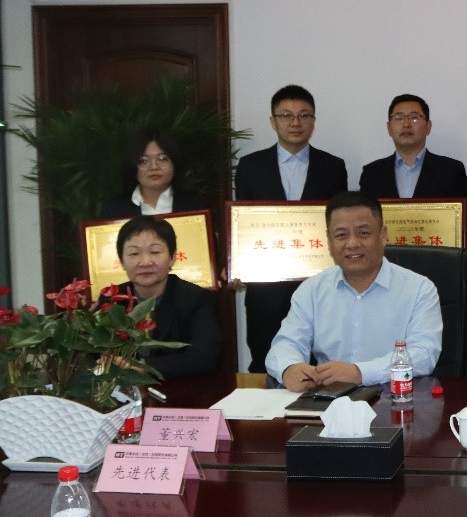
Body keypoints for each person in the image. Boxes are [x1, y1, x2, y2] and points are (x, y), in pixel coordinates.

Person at [266, 191, 442, 392]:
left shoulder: (419, 289)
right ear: (329, 241)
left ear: (383, 235)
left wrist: (360, 373)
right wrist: (289, 368)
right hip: (329, 400)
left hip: (395, 398)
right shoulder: (311, 290)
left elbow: (424, 354)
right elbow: (286, 344)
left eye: (363, 233)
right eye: (341, 235)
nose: (352, 244)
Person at [234, 85, 349, 373]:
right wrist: (235, 263)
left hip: (320, 288)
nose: (295, 122)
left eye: (304, 115)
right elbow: (241, 225)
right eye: (286, 115)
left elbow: (340, 224)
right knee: (265, 363)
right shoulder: (250, 166)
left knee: (323, 367)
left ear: (313, 121)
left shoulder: (333, 166)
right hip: (265, 290)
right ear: (273, 121)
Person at [109, 215, 221, 378]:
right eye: (134, 253)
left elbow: (204, 357)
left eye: (155, 252)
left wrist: (142, 366)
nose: (145, 262)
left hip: (181, 389)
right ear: (122, 261)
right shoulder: (113, 299)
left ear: (172, 257)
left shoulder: (196, 299)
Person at [358, 94, 467, 199]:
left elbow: (460, 211)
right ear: (389, 128)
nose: (406, 124)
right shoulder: (371, 174)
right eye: (399, 118)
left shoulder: (451, 171)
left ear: (428, 126)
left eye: (414, 117)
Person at [99, 129, 207, 218]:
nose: (154, 167)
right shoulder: (112, 209)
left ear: (174, 163)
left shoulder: (195, 206)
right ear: (132, 166)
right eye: (143, 161)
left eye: (162, 159)